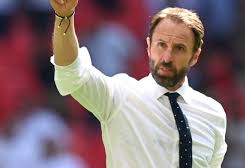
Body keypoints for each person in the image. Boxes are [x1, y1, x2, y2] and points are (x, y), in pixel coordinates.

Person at [49, 0, 227, 167]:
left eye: (179, 48)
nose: (167, 57)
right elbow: (71, 72)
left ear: (195, 56)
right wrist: (64, 17)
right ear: (149, 47)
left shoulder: (214, 114)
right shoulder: (120, 96)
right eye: (161, 45)